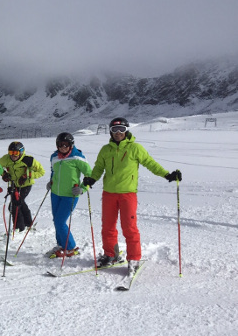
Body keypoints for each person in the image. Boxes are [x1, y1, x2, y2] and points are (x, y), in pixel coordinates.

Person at [82, 117, 182, 276]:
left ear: (127, 130)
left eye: (121, 129)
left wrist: (168, 175)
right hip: (109, 194)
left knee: (129, 228)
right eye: (115, 130)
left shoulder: (135, 148)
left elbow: (150, 163)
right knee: (107, 227)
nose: (118, 133)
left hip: (127, 194)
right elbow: (98, 168)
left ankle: (134, 259)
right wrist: (91, 179)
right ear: (110, 131)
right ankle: (110, 254)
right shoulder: (105, 150)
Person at [46, 133, 92, 258]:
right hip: (55, 194)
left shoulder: (77, 157)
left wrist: (83, 188)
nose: (63, 147)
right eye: (60, 145)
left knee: (60, 222)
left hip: (70, 195)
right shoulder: (54, 157)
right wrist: (51, 182)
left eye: (66, 145)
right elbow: (53, 172)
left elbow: (90, 175)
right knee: (56, 221)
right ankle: (62, 245)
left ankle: (71, 247)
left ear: (71, 145)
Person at [0, 141, 45, 233]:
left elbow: (41, 172)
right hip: (14, 184)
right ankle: (28, 224)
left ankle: (19, 228)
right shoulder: (6, 159)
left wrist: (27, 175)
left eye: (16, 153)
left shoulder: (28, 160)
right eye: (11, 152)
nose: (13, 155)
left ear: (21, 152)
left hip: (26, 184)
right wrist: (3, 174)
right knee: (20, 203)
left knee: (15, 204)